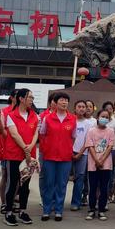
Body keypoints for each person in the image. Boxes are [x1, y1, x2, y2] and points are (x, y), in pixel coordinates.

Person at [3, 88, 39, 226]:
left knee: (26, 184)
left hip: (29, 157)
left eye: (32, 98)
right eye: (30, 97)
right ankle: (9, 212)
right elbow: (14, 134)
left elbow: (36, 133)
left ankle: (23, 211)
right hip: (14, 155)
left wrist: (30, 147)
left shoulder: (34, 116)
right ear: (21, 99)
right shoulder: (11, 115)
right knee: (13, 184)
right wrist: (26, 148)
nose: (31, 100)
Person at [40, 92, 76, 221]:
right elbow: (42, 134)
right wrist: (46, 149)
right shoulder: (48, 118)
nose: (64, 102)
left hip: (65, 157)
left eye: (66, 100)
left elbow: (73, 137)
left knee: (61, 184)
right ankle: (46, 210)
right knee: (49, 183)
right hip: (49, 156)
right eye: (61, 100)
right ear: (55, 103)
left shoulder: (72, 119)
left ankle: (58, 210)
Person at [85, 109, 114, 221]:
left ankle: (101, 210)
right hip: (93, 164)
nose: (104, 119)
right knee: (92, 187)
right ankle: (92, 209)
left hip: (106, 164)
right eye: (103, 116)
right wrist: (97, 160)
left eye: (107, 117)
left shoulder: (110, 131)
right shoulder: (91, 131)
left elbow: (110, 147)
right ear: (97, 117)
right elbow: (90, 146)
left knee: (104, 188)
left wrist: (101, 160)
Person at [70, 100, 94, 211]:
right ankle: (56, 201)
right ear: (75, 108)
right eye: (79, 106)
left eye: (83, 107)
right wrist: (70, 151)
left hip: (82, 154)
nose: (81, 108)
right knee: (63, 178)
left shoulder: (89, 124)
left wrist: (80, 153)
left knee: (79, 178)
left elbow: (88, 140)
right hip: (67, 153)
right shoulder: (70, 120)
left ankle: (76, 202)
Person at [0, 90, 18, 213]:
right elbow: (2, 130)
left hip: (19, 149)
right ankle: (4, 202)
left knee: (17, 178)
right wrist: (12, 137)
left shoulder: (24, 112)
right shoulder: (5, 111)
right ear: (12, 98)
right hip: (7, 149)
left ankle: (11, 201)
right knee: (6, 176)